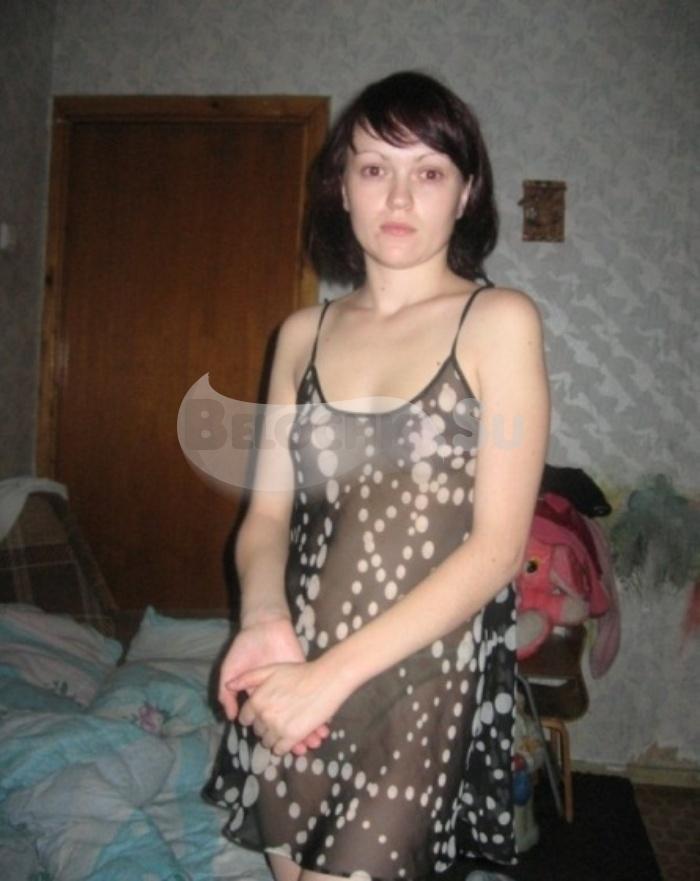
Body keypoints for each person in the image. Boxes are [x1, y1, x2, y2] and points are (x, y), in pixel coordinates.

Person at [204, 70, 550, 881]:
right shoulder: (301, 333)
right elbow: (266, 519)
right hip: (295, 667)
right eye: (373, 168)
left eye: (428, 171)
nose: (398, 196)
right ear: (342, 186)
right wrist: (263, 620)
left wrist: (328, 680)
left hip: (415, 681)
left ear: (466, 193)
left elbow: (497, 550)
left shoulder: (498, 322)